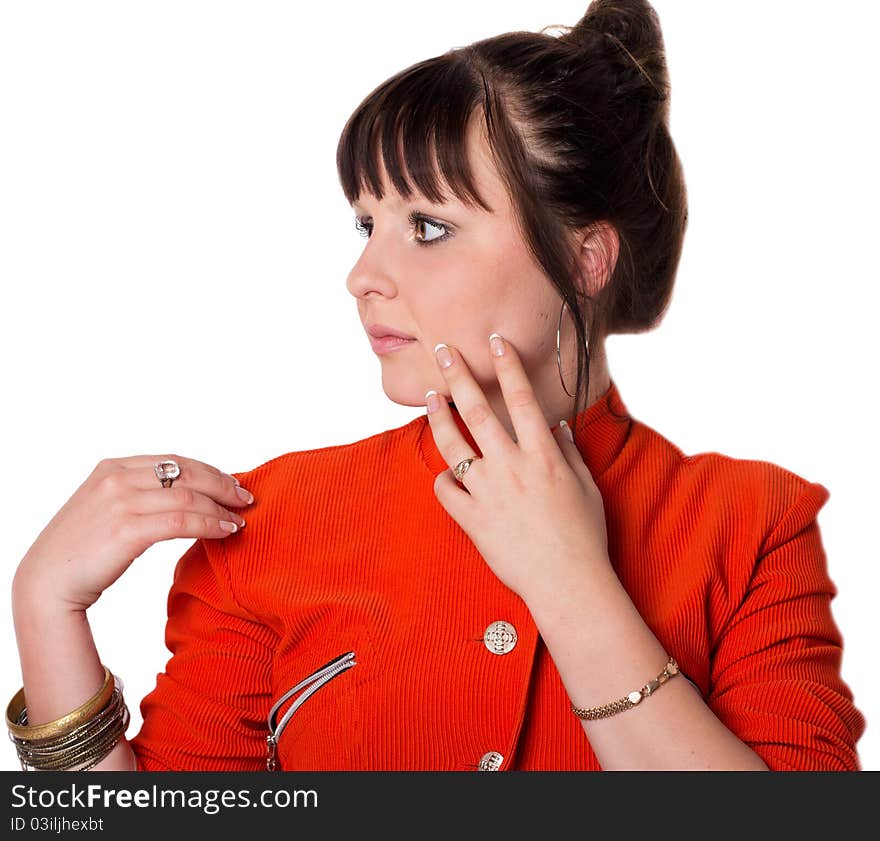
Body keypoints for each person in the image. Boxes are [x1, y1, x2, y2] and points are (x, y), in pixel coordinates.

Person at [8, 0, 865, 772]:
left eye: (427, 226)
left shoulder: (754, 525)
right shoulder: (270, 523)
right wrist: (45, 609)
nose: (363, 275)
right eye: (365, 222)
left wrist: (570, 581)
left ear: (585, 258)